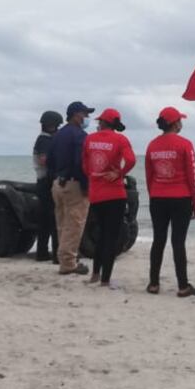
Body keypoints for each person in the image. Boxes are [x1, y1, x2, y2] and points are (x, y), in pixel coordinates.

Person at [144, 106, 195, 297]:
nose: (181, 123)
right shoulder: (185, 144)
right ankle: (183, 286)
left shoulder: (152, 145)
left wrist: (153, 195)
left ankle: (153, 284)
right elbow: (192, 175)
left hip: (158, 197)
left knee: (158, 240)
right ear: (175, 123)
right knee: (178, 241)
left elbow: (149, 175)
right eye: (180, 120)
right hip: (181, 198)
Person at [82, 108, 136, 288]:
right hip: (115, 194)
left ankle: (95, 274)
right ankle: (105, 279)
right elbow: (131, 160)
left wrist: (94, 176)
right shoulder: (120, 139)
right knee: (111, 237)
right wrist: (119, 173)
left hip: (96, 194)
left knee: (99, 235)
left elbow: (84, 165)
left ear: (103, 122)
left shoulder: (89, 139)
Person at [47, 101, 96, 275]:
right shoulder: (80, 135)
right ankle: (68, 263)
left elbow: (50, 161)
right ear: (76, 115)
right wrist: (85, 185)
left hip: (58, 183)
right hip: (74, 184)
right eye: (85, 114)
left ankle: (64, 258)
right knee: (74, 224)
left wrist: (57, 177)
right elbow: (80, 162)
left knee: (62, 224)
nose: (87, 118)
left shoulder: (58, 135)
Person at [33, 110, 63, 263]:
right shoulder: (44, 140)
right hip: (46, 181)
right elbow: (44, 160)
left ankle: (43, 252)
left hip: (45, 181)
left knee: (46, 220)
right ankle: (55, 254)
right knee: (53, 218)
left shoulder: (46, 139)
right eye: (56, 126)